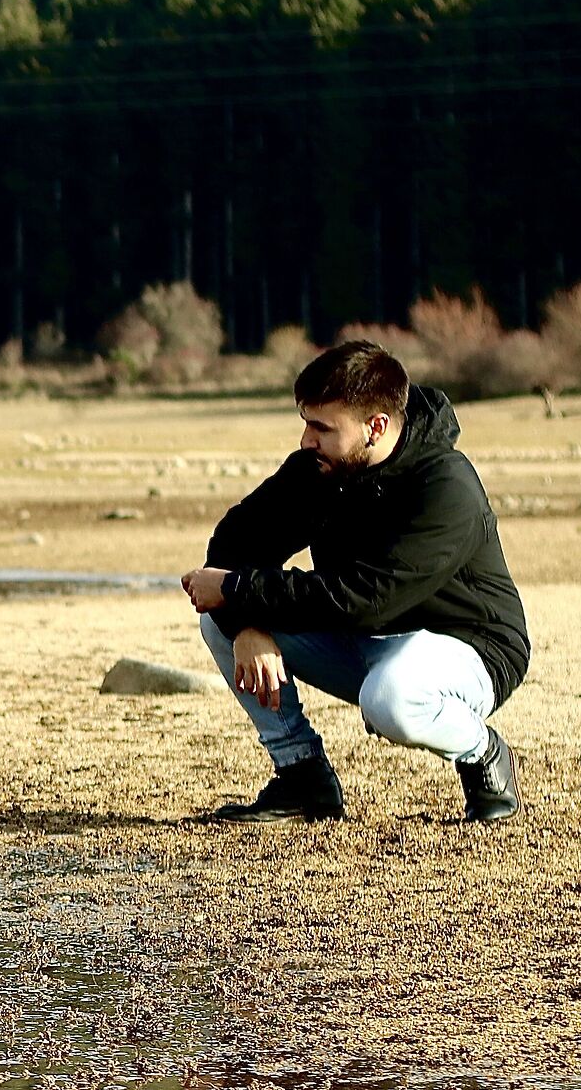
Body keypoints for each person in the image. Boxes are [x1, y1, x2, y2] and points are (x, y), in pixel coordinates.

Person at [182, 339, 528, 825]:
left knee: (390, 698)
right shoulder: (320, 468)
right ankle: (302, 777)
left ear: (376, 427)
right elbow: (234, 542)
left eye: (322, 427)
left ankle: (483, 753)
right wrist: (247, 623)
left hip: (468, 648)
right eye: (306, 423)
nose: (307, 440)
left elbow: (364, 599)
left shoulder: (446, 487)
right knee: (220, 623)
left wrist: (239, 592)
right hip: (363, 638)